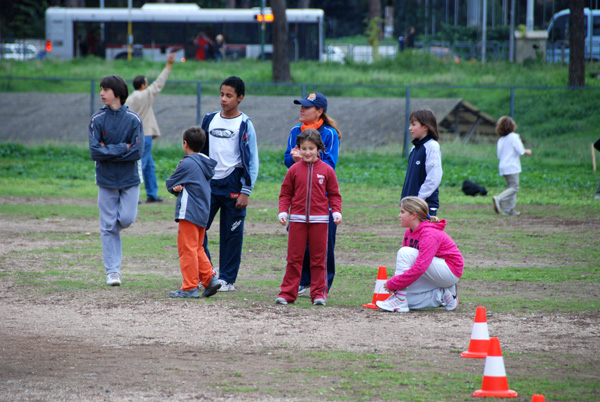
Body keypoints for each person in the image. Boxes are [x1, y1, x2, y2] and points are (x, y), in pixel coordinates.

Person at [200, 76, 259, 292]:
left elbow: (252, 160)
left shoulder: (245, 124)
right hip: (209, 184)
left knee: (231, 234)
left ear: (240, 98)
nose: (223, 99)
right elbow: (198, 152)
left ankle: (227, 279)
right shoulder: (209, 120)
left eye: (229, 95)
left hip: (234, 184)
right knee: (198, 228)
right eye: (221, 94)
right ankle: (207, 274)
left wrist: (246, 190)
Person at [284, 92, 342, 296]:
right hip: (300, 198)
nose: (301, 109)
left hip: (321, 199)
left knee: (323, 246)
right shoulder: (294, 131)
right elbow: (287, 159)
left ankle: (323, 285)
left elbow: (329, 164)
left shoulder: (329, 133)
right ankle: (303, 281)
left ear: (319, 111)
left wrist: (303, 156)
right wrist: (299, 159)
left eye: (307, 107)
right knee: (299, 244)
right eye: (301, 105)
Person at [88, 75, 144, 286]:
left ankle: (110, 230)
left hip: (130, 178)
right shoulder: (97, 119)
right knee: (108, 226)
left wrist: (108, 150)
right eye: (101, 89)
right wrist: (123, 147)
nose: (101, 93)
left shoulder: (133, 119)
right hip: (105, 179)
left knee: (126, 219)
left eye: (105, 89)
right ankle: (113, 272)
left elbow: (137, 151)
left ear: (117, 93)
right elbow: (95, 152)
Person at [276, 129, 343, 306]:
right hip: (297, 221)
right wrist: (283, 211)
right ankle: (287, 293)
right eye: (303, 148)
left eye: (311, 148)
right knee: (294, 258)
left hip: (320, 221)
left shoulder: (327, 170)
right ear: (298, 148)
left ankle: (319, 294)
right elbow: (285, 194)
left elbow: (335, 194)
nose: (307, 152)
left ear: (318, 148)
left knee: (318, 258)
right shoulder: (294, 170)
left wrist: (336, 211)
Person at [376, 196, 463, 313]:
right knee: (406, 296)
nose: (399, 215)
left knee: (405, 252)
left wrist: (394, 283)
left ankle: (399, 301)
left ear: (414, 215)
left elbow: (420, 266)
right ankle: (442, 295)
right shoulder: (409, 232)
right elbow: (408, 266)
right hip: (432, 272)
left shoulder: (429, 233)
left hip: (449, 271)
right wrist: (397, 286)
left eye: (402, 212)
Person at [166, 126, 222, 298]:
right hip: (202, 211)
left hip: (189, 212)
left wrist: (175, 188)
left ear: (185, 144)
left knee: (187, 249)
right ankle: (209, 279)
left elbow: (171, 182)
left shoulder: (187, 162)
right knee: (197, 248)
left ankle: (189, 287)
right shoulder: (205, 161)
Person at [126, 52, 175, 203]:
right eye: (146, 83)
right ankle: (133, 195)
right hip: (145, 135)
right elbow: (159, 83)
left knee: (149, 166)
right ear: (143, 85)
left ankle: (152, 194)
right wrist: (169, 65)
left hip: (135, 135)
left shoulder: (130, 99)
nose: (148, 85)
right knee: (142, 164)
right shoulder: (145, 95)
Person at [401, 109, 442, 216]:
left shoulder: (432, 146)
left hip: (423, 206)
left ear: (425, 126)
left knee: (426, 233)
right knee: (413, 233)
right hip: (413, 205)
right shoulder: (414, 149)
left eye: (414, 124)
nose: (410, 128)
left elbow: (434, 177)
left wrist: (418, 199)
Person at [492, 116, 532, 216]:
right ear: (512, 126)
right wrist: (526, 151)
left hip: (503, 166)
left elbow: (498, 154)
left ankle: (508, 210)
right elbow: (520, 150)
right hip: (512, 166)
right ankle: (499, 198)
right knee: (514, 187)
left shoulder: (501, 140)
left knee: (511, 187)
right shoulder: (514, 137)